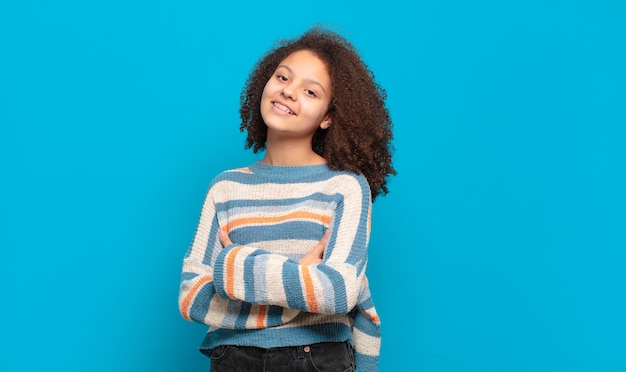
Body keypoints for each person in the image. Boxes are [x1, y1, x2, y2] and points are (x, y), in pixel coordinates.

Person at [178, 26, 395, 372]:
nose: (289, 92)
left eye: (310, 91)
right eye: (283, 77)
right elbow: (193, 298)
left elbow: (338, 292)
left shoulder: (346, 187)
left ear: (327, 117)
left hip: (317, 358)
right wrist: (300, 286)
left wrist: (234, 265)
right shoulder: (225, 188)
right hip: (234, 360)